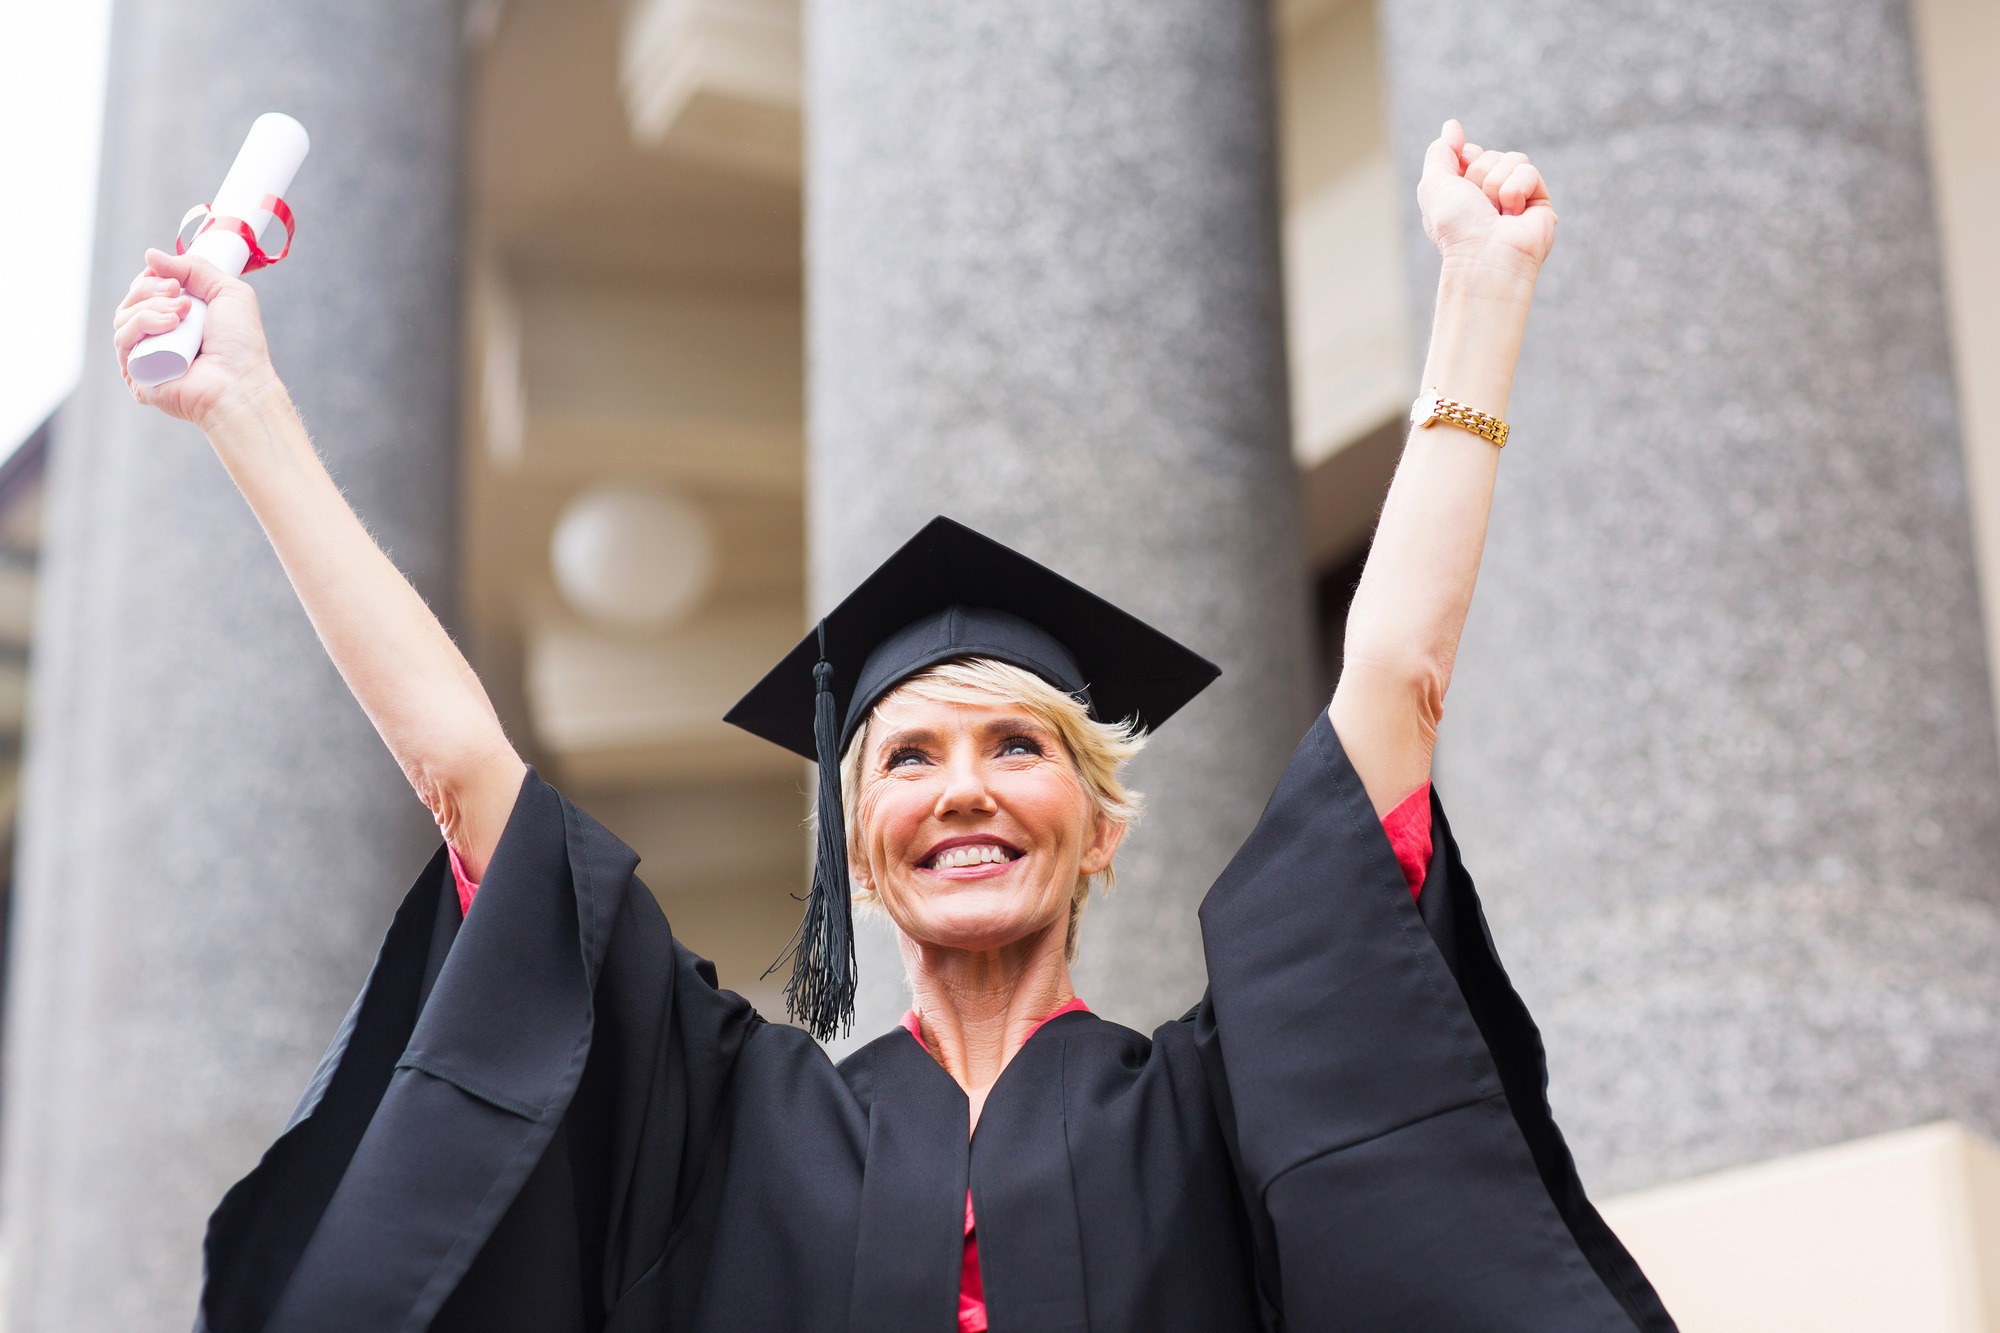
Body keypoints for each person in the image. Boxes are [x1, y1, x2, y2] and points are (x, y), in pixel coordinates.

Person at [115, 120, 1676, 1331]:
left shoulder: (1215, 1111)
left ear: (1100, 825)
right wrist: (244, 407)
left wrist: (1481, 295)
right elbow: (466, 773)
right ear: (859, 845)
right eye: (910, 757)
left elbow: (1394, 680)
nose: (964, 789)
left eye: (1019, 747)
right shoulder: (735, 1124)